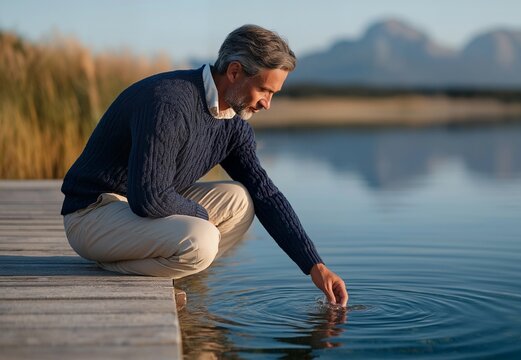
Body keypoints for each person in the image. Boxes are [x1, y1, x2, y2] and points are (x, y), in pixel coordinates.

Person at [60, 25, 348, 306]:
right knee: (203, 238)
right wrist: (202, 217)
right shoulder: (170, 103)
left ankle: (156, 268)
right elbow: (149, 197)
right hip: (93, 214)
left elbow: (266, 194)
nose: (267, 104)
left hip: (136, 213)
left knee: (241, 200)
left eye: (273, 94)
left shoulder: (232, 125)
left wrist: (314, 265)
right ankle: (118, 267)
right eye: (264, 89)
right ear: (234, 72)